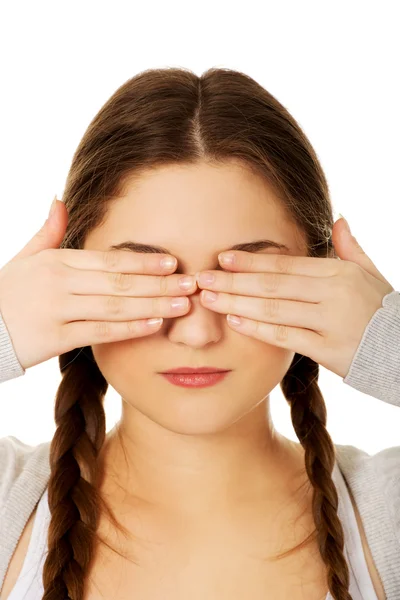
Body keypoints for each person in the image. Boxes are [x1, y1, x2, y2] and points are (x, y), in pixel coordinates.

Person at [0, 67, 399, 600]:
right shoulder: (9, 503)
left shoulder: (387, 514)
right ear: (67, 271)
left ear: (323, 273)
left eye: (242, 279)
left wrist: (390, 345)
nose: (196, 331)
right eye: (146, 277)